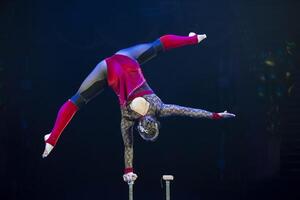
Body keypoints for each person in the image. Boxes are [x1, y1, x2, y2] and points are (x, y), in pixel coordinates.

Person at [42, 32, 235, 184]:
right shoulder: (127, 119)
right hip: (108, 71)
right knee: (77, 101)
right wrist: (128, 171)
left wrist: (216, 115)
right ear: (140, 128)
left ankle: (193, 38)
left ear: (155, 122)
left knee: (157, 46)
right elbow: (128, 147)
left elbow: (188, 111)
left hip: (127, 59)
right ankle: (52, 139)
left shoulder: (159, 108)